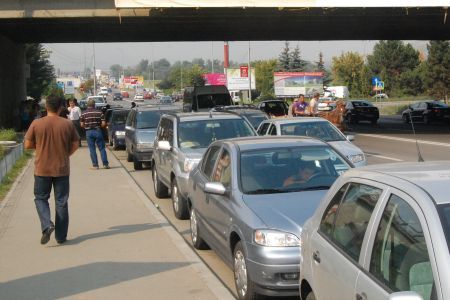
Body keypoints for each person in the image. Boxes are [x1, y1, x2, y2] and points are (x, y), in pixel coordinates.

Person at [24, 94, 80, 245]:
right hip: (62, 168)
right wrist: (65, 153)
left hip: (42, 169)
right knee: (61, 201)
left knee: (41, 198)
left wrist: (41, 147)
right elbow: (76, 144)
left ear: (46, 107)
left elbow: (27, 145)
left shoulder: (37, 123)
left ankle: (47, 225)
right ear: (61, 107)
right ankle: (61, 237)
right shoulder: (67, 124)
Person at [80, 99, 110, 170]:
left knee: (92, 149)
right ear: (94, 105)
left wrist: (87, 126)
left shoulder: (83, 113)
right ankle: (105, 164)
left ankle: (95, 165)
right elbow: (103, 123)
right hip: (98, 131)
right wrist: (100, 126)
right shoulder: (100, 112)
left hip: (88, 132)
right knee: (102, 148)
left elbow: (81, 125)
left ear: (87, 105)